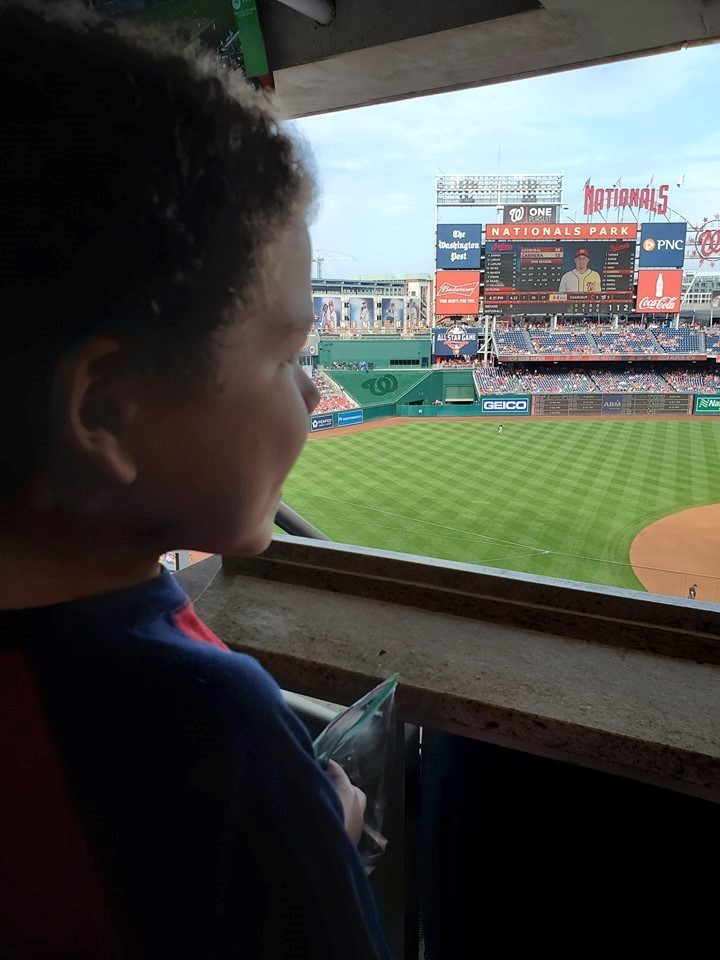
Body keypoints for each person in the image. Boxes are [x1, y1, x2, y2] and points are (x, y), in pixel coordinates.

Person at [0, 4, 390, 958]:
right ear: (106, 411)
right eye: (286, 350)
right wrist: (313, 831)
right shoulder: (216, 733)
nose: (308, 387)